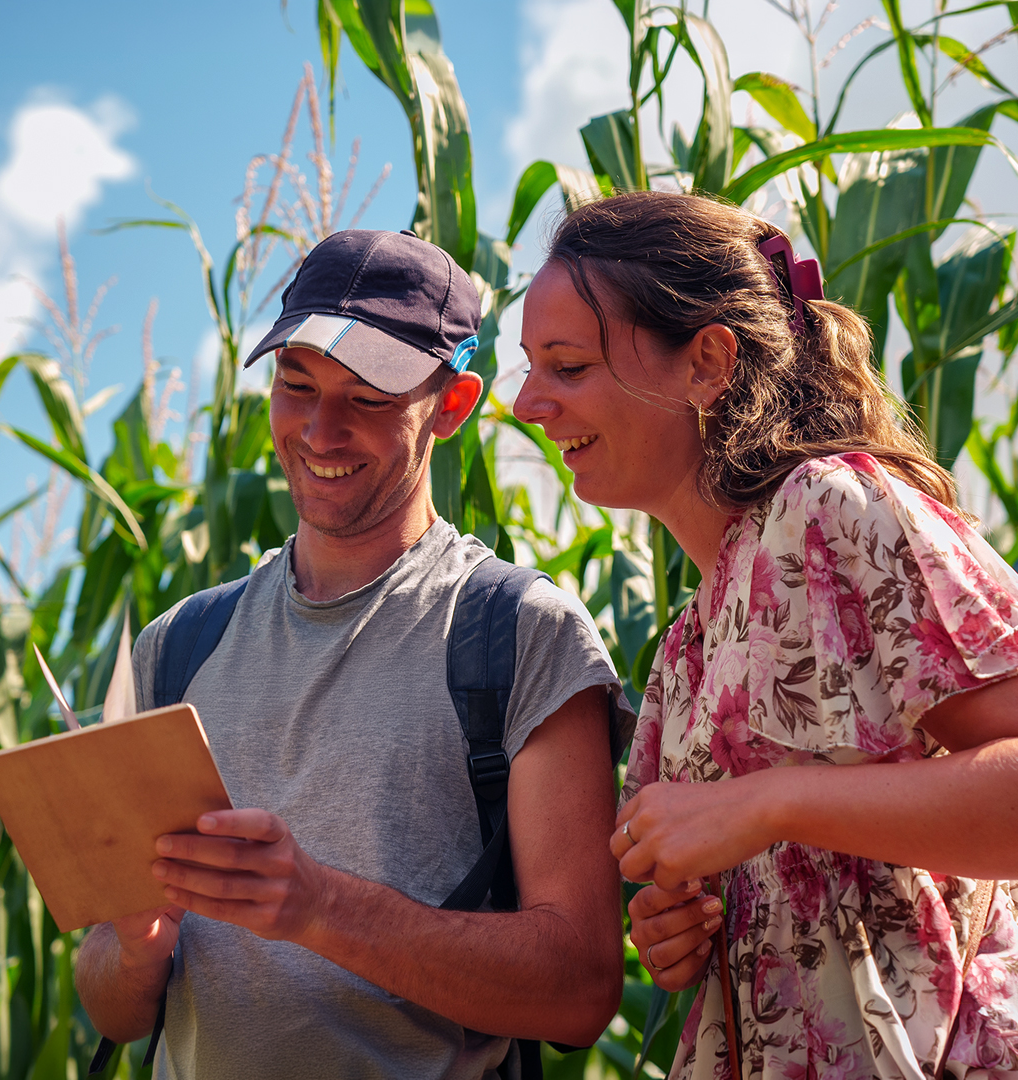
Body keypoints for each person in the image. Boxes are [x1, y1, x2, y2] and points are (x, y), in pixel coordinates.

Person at [513, 190, 1018, 1080]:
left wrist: (766, 803)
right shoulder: (684, 651)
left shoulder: (835, 506)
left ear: (706, 363)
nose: (526, 404)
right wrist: (677, 936)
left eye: (567, 367)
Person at [74, 228, 632, 1080]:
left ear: (453, 405)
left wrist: (317, 905)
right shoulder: (175, 649)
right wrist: (138, 947)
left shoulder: (522, 634)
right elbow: (109, 1002)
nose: (321, 431)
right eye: (297, 388)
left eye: (367, 399)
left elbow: (581, 990)